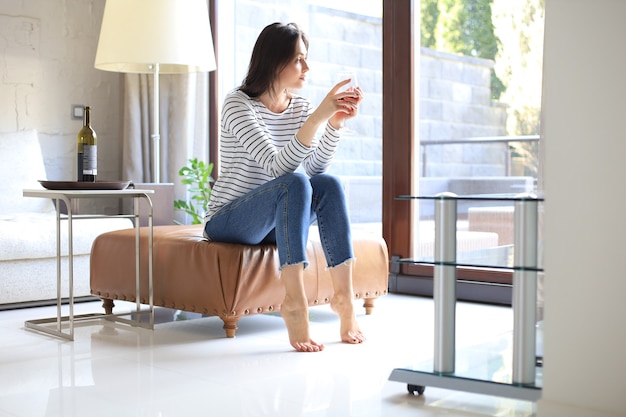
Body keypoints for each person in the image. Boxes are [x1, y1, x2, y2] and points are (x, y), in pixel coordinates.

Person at [203, 22, 364, 352]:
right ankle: (294, 300)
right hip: (230, 220)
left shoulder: (301, 107)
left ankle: (344, 299)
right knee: (292, 182)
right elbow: (279, 168)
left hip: (277, 219)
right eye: (298, 60)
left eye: (306, 59)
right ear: (274, 62)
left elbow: (314, 169)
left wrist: (332, 125)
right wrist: (318, 117)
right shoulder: (238, 104)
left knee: (328, 184)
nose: (306, 68)